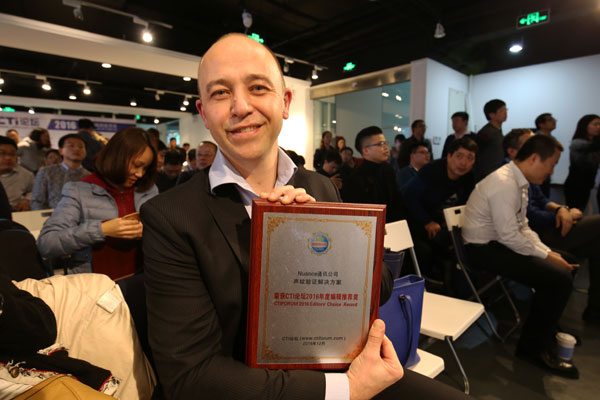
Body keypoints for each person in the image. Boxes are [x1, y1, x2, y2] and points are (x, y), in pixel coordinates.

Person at [141, 33, 468, 400]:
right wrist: (346, 390)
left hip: (341, 364)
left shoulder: (319, 186)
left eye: (258, 87)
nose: (240, 106)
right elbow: (190, 377)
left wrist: (324, 233)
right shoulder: (172, 217)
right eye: (220, 93)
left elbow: (380, 286)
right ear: (203, 113)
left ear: (284, 102)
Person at [463, 134, 579, 378]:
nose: (552, 171)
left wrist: (548, 253)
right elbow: (509, 235)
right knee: (559, 278)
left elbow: (522, 226)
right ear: (535, 158)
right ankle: (532, 349)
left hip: (497, 243)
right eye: (552, 165)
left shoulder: (518, 180)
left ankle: (546, 327)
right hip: (482, 251)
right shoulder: (504, 182)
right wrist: (547, 256)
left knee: (565, 261)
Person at [503, 130, 600, 325]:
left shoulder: (524, 176)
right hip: (537, 232)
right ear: (514, 152)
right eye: (529, 145)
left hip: (538, 230)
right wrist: (561, 217)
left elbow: (541, 200)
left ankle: (593, 311)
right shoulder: (507, 179)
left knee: (596, 245)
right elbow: (528, 218)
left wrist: (560, 209)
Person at [37, 127, 158, 274]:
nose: (140, 174)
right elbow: (47, 243)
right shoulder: (79, 191)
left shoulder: (147, 189)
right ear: (116, 157)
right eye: (137, 165)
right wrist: (102, 229)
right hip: (95, 282)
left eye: (145, 168)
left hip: (144, 277)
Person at [400, 137, 476, 280]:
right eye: (459, 156)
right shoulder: (432, 170)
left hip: (433, 214)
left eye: (470, 158)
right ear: (449, 156)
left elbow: (466, 202)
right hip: (409, 214)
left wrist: (449, 218)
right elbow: (409, 197)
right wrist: (427, 221)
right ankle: (426, 279)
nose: (463, 163)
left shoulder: (469, 176)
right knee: (428, 248)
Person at [342, 126, 403, 222]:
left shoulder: (388, 169)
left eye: (386, 143)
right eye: (381, 144)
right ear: (366, 150)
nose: (386, 147)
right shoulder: (355, 180)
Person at [31, 133, 90, 210]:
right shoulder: (46, 172)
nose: (76, 149)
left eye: (81, 147)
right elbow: (37, 201)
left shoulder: (90, 177)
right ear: (61, 151)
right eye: (71, 146)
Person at [563, 114, 600, 211]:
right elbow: (587, 163)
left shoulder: (595, 144)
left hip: (588, 184)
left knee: (581, 211)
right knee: (574, 212)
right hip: (575, 184)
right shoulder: (578, 143)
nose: (598, 127)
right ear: (585, 126)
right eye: (595, 124)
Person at [474, 99, 507, 181]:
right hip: (487, 175)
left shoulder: (498, 131)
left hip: (498, 174)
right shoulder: (485, 133)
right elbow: (476, 155)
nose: (505, 113)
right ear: (492, 115)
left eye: (506, 109)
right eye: (502, 111)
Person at [0, 136, 34, 211]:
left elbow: (33, 191)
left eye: (12, 154)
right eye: (2, 153)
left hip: (14, 213)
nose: (8, 158)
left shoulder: (26, 175)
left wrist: (27, 200)